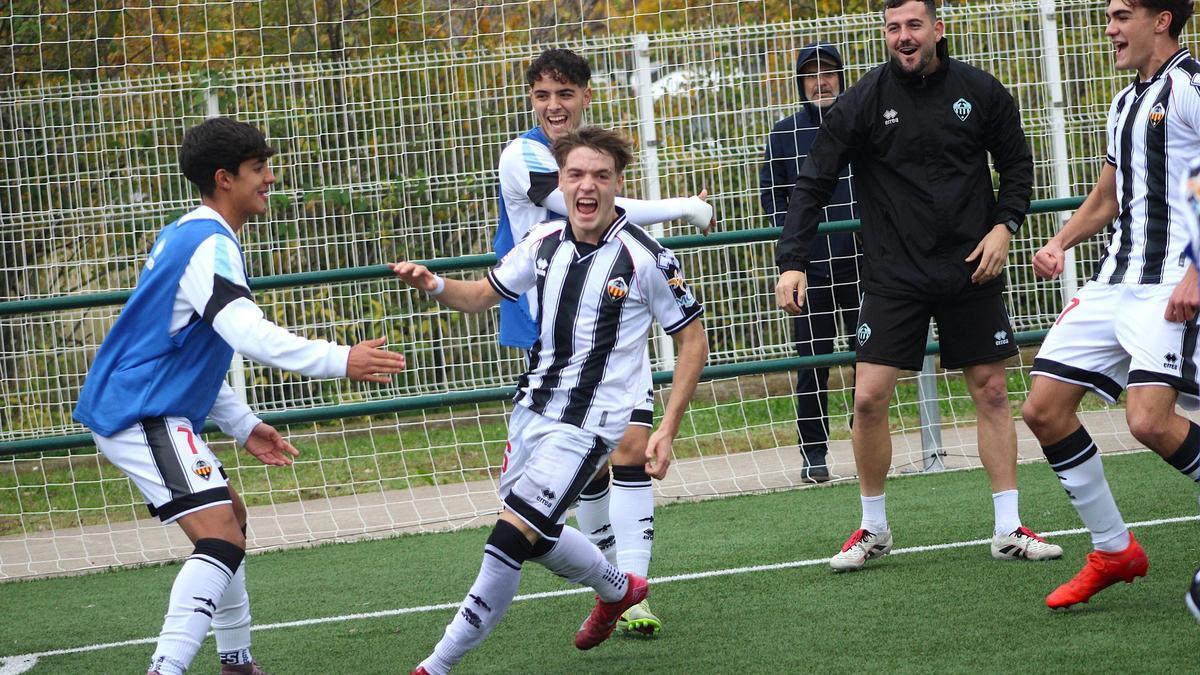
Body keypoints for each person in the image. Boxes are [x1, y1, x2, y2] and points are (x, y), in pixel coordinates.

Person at [71, 118, 407, 675]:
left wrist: (242, 421)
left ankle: (237, 662)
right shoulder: (209, 246)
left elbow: (193, 348)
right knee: (221, 538)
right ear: (224, 179)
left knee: (231, 516)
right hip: (140, 413)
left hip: (149, 408)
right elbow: (248, 334)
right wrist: (340, 359)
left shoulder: (189, 233)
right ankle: (168, 668)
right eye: (259, 170)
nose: (270, 178)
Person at [395, 126, 708, 674]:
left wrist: (668, 426)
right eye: (575, 176)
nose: (586, 187)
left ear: (617, 184)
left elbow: (693, 340)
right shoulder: (542, 243)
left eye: (600, 176)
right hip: (532, 411)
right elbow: (481, 295)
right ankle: (617, 590)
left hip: (589, 427)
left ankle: (435, 665)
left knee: (508, 537)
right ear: (561, 184)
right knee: (536, 537)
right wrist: (434, 285)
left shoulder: (646, 258)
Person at [774, 0, 1062, 572]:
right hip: (893, 273)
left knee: (993, 392)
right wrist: (793, 260)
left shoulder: (980, 91)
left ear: (937, 29)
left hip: (972, 266)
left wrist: (1006, 225)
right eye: (893, 28)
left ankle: (1009, 527)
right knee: (868, 397)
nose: (903, 37)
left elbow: (1017, 164)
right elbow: (813, 180)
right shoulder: (863, 100)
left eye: (913, 26)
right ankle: (874, 528)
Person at [494, 47, 715, 634]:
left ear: (585, 96)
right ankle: (612, 585)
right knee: (583, 476)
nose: (553, 105)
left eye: (565, 94)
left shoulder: (587, 158)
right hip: (554, 337)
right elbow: (592, 208)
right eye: (542, 95)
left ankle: (634, 591)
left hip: (612, 327)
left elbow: (612, 216)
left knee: (630, 450)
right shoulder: (522, 155)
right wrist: (687, 208)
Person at [1024, 0, 1200, 609]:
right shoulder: (1125, 102)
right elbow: (1108, 195)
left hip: (1171, 281)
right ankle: (1113, 549)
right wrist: (1059, 241)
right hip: (1111, 283)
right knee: (1043, 410)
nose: (1109, 28)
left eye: (1122, 14)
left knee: (1149, 421)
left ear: (1163, 20)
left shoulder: (1191, 88)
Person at [759, 42, 862, 483]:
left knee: (870, 361)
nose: (821, 81)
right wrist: (795, 254)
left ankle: (866, 445)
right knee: (811, 364)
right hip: (808, 271)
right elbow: (773, 199)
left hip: (862, 262)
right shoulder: (784, 135)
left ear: (841, 77)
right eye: (811, 75)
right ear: (801, 83)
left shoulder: (862, 125)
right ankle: (814, 455)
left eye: (829, 73)